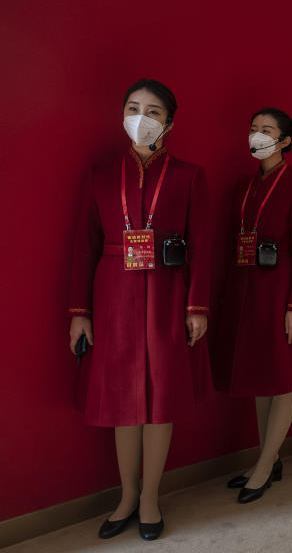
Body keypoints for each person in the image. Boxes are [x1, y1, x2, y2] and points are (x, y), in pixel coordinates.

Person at [67, 79, 211, 541]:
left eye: (153, 111)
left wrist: (197, 306)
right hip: (113, 293)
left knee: (160, 397)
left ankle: (150, 497)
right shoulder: (101, 174)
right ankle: (126, 495)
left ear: (169, 121)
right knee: (121, 401)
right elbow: (83, 248)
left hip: (168, 292)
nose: (141, 118)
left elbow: (202, 248)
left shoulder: (189, 175)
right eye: (133, 107)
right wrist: (79, 312)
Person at [212, 107, 292, 502]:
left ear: (286, 140)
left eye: (267, 130)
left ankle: (266, 463)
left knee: (283, 373)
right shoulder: (242, 187)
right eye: (253, 128)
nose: (257, 135)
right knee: (260, 373)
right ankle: (267, 457)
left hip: (280, 292)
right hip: (246, 289)